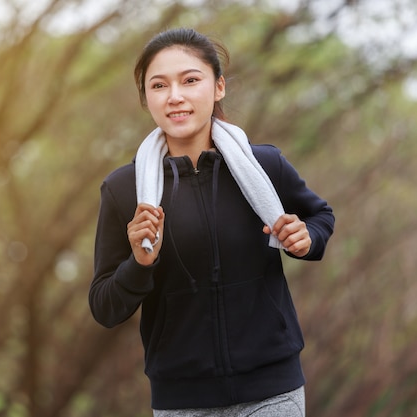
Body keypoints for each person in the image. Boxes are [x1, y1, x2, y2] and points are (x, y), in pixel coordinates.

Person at [88, 28, 334, 417]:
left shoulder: (264, 166)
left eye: (190, 80)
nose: (175, 96)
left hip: (273, 390)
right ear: (146, 97)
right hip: (183, 401)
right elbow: (104, 306)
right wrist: (139, 263)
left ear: (218, 87)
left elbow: (320, 216)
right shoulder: (125, 190)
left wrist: (307, 239)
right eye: (158, 85)